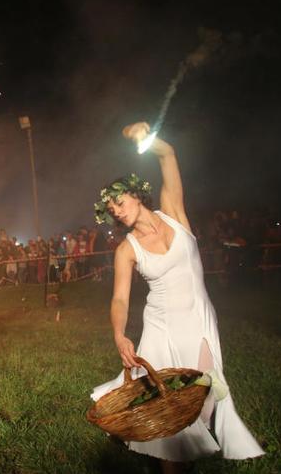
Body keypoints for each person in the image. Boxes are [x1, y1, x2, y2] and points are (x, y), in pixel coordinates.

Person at [90, 122, 264, 471]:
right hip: (162, 327)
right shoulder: (127, 249)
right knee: (169, 417)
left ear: (136, 194)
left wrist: (145, 137)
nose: (117, 211)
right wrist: (119, 333)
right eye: (112, 209)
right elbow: (120, 299)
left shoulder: (174, 214)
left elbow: (168, 155)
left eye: (120, 202)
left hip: (199, 318)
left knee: (205, 399)